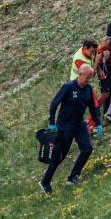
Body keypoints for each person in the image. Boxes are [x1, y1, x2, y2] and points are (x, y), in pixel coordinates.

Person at [40, 65, 102, 193]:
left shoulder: (88, 89)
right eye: (87, 77)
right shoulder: (68, 87)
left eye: (90, 78)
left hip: (79, 125)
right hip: (64, 126)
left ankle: (73, 177)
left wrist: (98, 123)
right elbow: (54, 104)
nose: (88, 80)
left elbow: (92, 107)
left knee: (87, 149)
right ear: (80, 74)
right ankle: (45, 182)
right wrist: (52, 122)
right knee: (60, 156)